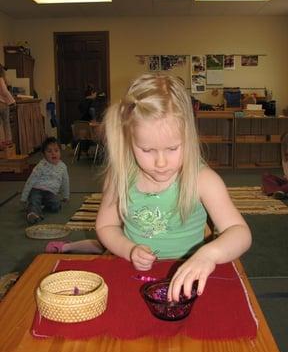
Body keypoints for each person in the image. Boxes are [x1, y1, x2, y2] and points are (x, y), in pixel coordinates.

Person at [95, 73, 252, 301]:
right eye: (147, 150)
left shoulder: (203, 179)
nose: (161, 163)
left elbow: (241, 233)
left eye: (172, 148)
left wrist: (209, 255)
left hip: (191, 274)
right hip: (133, 272)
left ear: (188, 137)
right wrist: (128, 249)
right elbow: (106, 225)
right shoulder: (120, 176)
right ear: (129, 141)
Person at [21, 137, 70, 224]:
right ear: (44, 154)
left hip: (50, 192)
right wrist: (24, 197)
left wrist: (66, 196)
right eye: (49, 151)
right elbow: (30, 181)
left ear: (60, 152)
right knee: (34, 199)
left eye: (56, 150)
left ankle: (39, 207)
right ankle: (32, 214)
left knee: (56, 206)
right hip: (37, 189)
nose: (53, 154)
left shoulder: (63, 167)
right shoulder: (40, 166)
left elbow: (65, 182)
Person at [262, 131, 288, 199]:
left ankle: (274, 190)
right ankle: (282, 192)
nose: (287, 151)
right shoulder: (286, 157)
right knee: (266, 176)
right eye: (286, 148)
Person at [0, 64, 15, 148]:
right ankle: (8, 141)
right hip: (3, 104)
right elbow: (5, 92)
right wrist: (12, 101)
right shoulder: (1, 79)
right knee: (6, 122)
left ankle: (1, 142)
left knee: (0, 124)